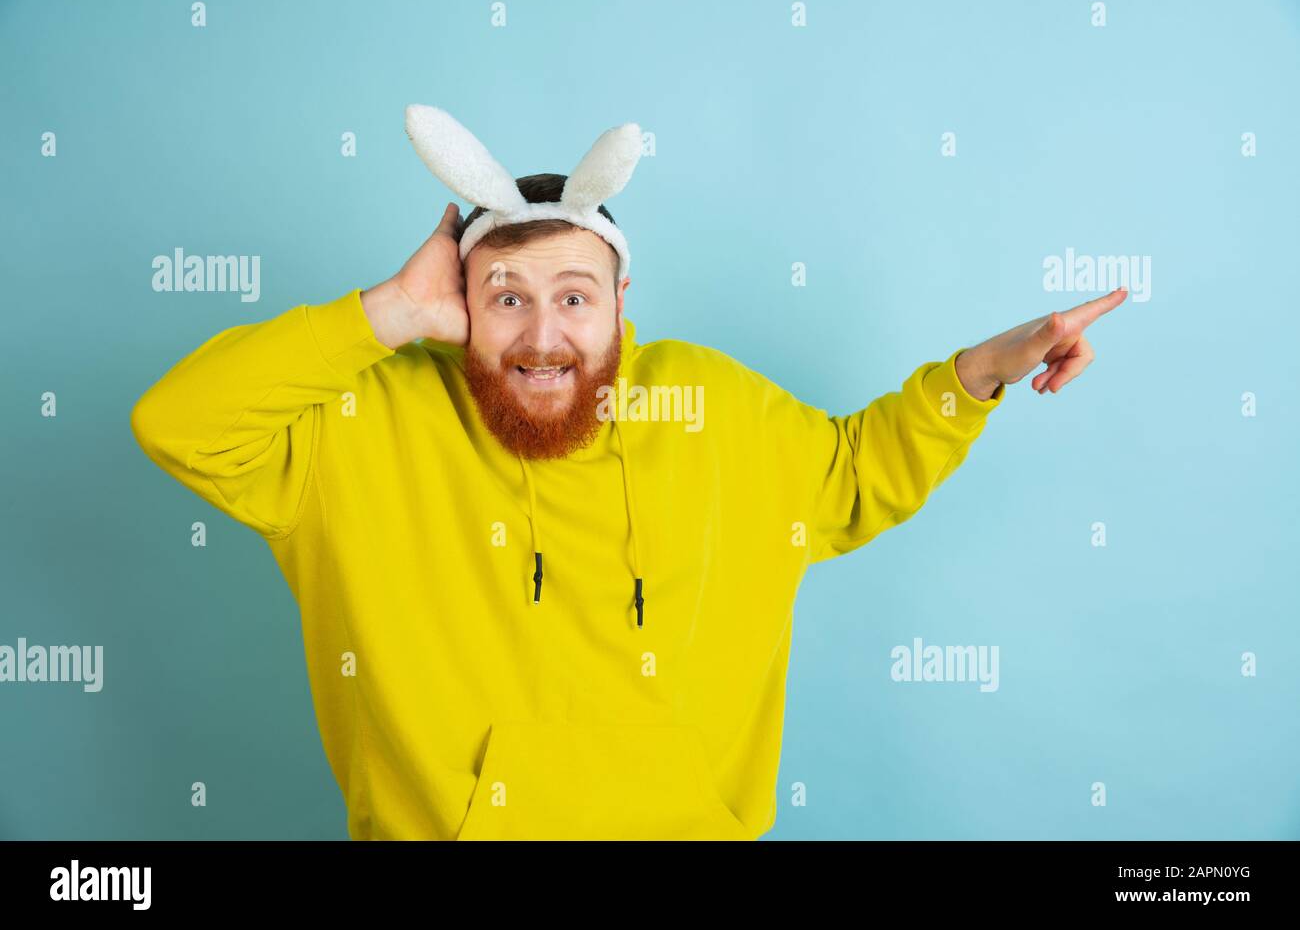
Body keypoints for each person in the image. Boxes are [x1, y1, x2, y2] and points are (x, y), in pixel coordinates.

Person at [130, 115, 1125, 841]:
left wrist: (985, 368)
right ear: (457, 303)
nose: (543, 333)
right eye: (504, 297)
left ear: (621, 300)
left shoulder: (704, 401)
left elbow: (854, 472)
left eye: (574, 294)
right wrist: (387, 310)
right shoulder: (364, 420)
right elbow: (176, 424)